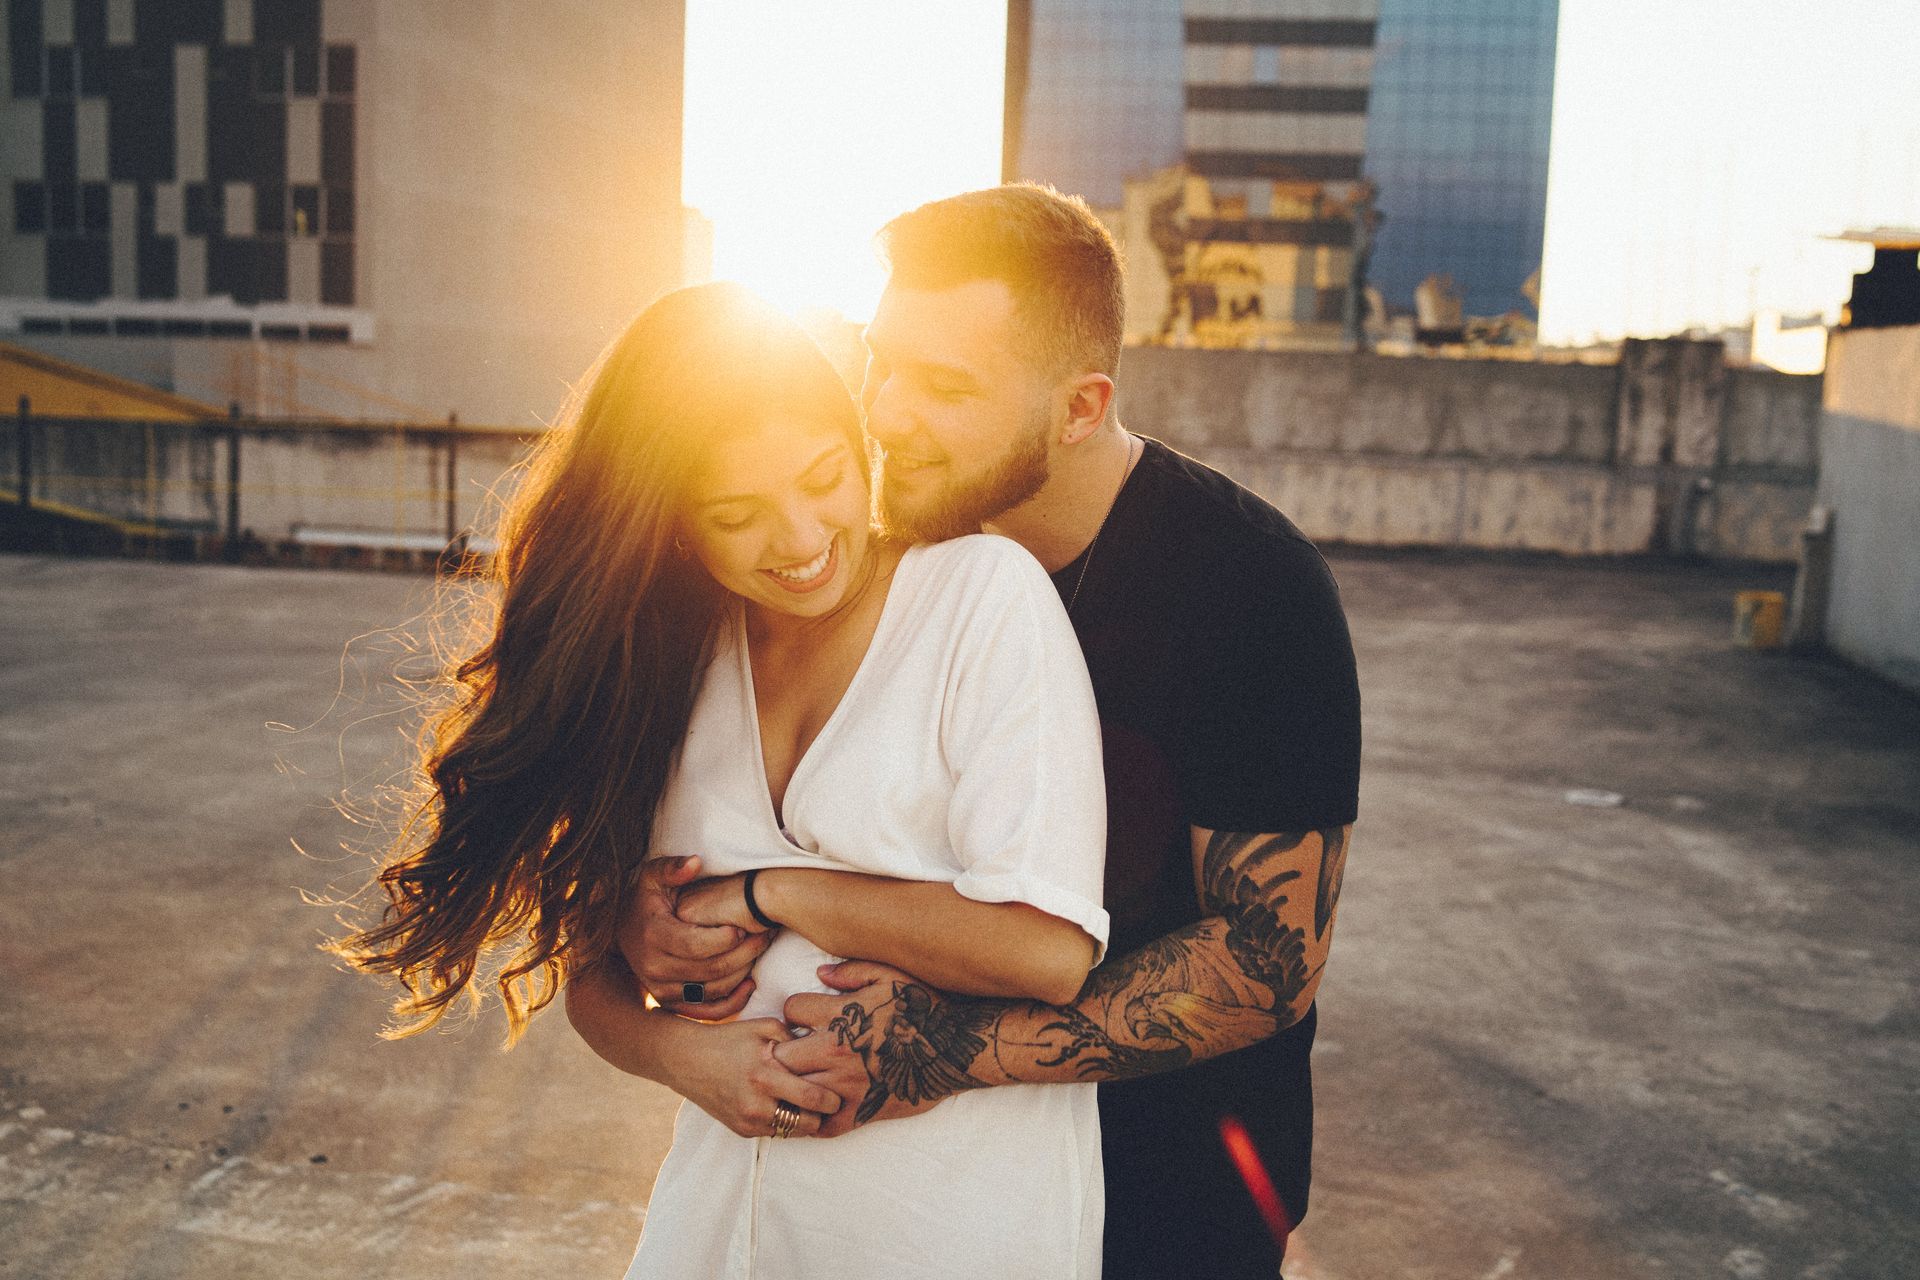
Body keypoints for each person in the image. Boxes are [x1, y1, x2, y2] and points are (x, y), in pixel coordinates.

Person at [604, 185, 1362, 1279]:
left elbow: (1266, 959)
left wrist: (950, 1045)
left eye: (946, 386)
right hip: (878, 1199)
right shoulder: (866, 550)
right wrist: (656, 918)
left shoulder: (1250, 589)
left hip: (1176, 1194)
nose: (890, 412)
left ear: (1079, 405)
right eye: (885, 362)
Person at [330, 282, 1111, 1278]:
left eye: (825, 474)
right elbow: (593, 980)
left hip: (951, 1227)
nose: (797, 538)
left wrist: (771, 890)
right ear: (676, 525)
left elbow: (1045, 948)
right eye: (737, 513)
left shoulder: (977, 597)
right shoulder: (669, 653)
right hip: (717, 1227)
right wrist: (682, 1054)